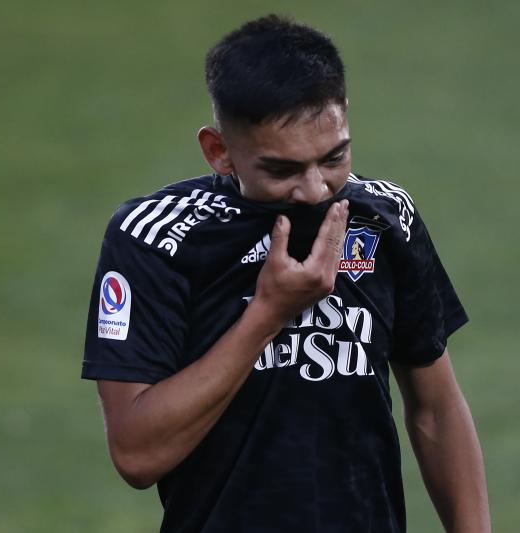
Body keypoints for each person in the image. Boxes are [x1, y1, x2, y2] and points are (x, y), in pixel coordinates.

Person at [82, 14, 490, 533]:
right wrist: (267, 314)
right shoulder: (155, 238)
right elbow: (137, 455)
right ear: (219, 151)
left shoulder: (385, 218)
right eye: (282, 169)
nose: (316, 190)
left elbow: (436, 409)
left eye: (333, 157)